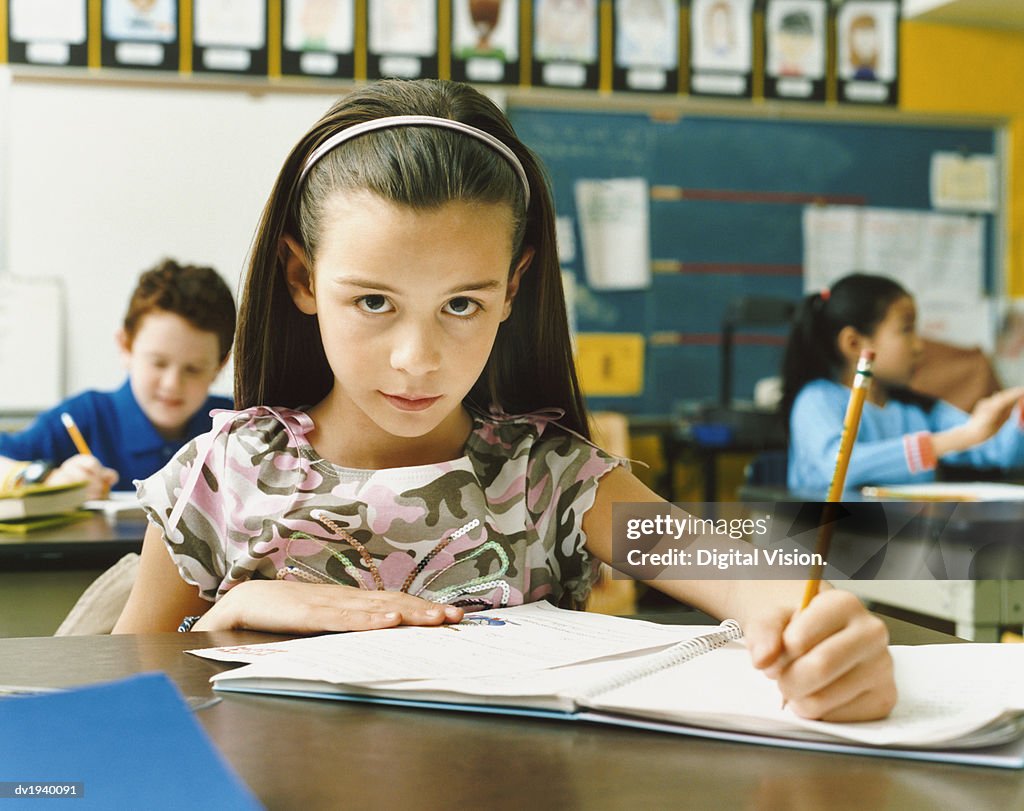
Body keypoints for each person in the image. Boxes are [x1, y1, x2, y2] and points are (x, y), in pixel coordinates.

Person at [114, 79, 894, 723]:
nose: (417, 360)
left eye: (461, 305)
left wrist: (815, 627)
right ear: (302, 279)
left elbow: (730, 570)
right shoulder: (217, 477)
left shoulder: (549, 476)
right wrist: (216, 621)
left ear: (512, 290)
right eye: (374, 302)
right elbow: (109, 720)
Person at [0, 259, 236, 499]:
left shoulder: (237, 425)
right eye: (158, 363)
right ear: (125, 346)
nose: (172, 384)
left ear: (220, 365)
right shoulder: (85, 416)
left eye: (193, 369)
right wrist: (48, 478)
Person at [781, 272, 1024, 493]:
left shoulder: (917, 408)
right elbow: (839, 468)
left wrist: (1020, 417)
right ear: (854, 344)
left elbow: (998, 451)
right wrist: (955, 439)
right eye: (906, 330)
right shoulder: (816, 400)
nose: (919, 346)